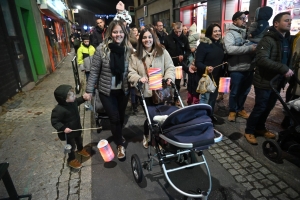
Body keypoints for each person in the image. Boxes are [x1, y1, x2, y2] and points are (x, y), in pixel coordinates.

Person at [83, 20, 132, 159]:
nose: (118, 35)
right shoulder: (101, 49)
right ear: (110, 32)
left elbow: (134, 68)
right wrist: (89, 91)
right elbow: (94, 72)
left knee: (121, 117)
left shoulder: (128, 50)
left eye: (121, 32)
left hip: (123, 90)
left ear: (124, 33)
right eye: (115, 31)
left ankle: (118, 134)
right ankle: (119, 144)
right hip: (106, 91)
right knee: (114, 117)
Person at [244, 12, 294, 144]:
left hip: (277, 81)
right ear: (276, 23)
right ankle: (249, 130)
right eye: (286, 20)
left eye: (290, 20)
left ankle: (260, 128)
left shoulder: (286, 39)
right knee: (260, 107)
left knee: (269, 107)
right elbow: (261, 60)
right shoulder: (267, 39)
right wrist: (283, 69)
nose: (289, 22)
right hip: (264, 80)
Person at [128, 27, 175, 148]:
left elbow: (170, 66)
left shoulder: (162, 52)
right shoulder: (135, 56)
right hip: (145, 91)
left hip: (161, 91)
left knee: (162, 116)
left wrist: (169, 77)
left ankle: (160, 138)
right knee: (151, 116)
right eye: (144, 37)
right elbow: (131, 72)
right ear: (140, 39)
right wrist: (139, 78)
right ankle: (147, 135)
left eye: (149, 37)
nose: (147, 40)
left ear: (153, 38)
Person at [223, 11, 256, 122]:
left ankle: (240, 108)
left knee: (245, 91)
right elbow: (230, 49)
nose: (244, 20)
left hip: (249, 68)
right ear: (235, 20)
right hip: (236, 68)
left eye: (245, 18)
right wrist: (249, 49)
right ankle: (232, 110)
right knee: (235, 91)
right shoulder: (230, 34)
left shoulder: (248, 32)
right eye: (242, 18)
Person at [51, 85, 90, 169]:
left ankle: (80, 149)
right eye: (72, 96)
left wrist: (83, 98)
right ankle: (71, 159)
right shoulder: (58, 110)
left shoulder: (73, 102)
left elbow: (78, 101)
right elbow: (55, 121)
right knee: (71, 146)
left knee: (79, 139)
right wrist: (63, 128)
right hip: (68, 133)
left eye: (74, 94)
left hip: (76, 127)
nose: (75, 96)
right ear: (65, 99)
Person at [195, 23, 225, 122]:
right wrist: (206, 67)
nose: (218, 33)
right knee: (205, 99)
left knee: (213, 99)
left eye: (219, 31)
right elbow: (198, 62)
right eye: (215, 31)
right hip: (206, 77)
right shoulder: (204, 45)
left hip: (216, 77)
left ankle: (210, 116)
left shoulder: (220, 44)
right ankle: (201, 118)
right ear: (210, 33)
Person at [164, 22, 191, 106]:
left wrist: (183, 56)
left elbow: (188, 51)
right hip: (168, 64)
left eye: (180, 31)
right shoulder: (168, 38)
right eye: (176, 32)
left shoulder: (184, 38)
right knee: (167, 82)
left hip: (179, 64)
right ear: (173, 29)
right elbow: (164, 50)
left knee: (177, 83)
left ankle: (176, 98)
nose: (178, 34)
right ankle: (167, 99)